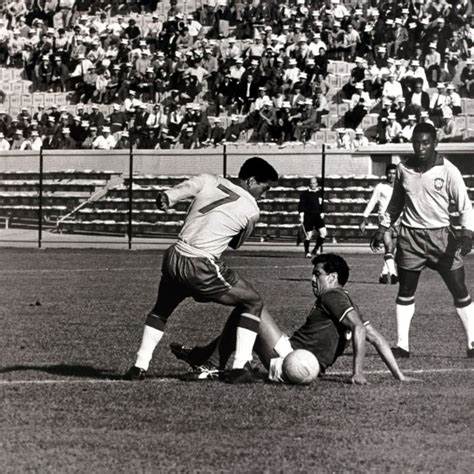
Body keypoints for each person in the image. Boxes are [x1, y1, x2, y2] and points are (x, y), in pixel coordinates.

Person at [124, 157, 279, 382]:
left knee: (161, 311)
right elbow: (235, 244)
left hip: (175, 256)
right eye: (264, 189)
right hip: (201, 264)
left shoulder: (210, 179)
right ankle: (240, 367)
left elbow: (179, 191)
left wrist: (168, 197)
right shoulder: (252, 210)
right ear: (251, 180)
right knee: (253, 301)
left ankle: (139, 366)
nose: (264, 195)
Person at [170, 253, 416, 385]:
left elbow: (359, 331)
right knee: (248, 319)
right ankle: (204, 356)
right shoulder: (350, 305)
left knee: (250, 306)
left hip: (290, 358)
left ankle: (210, 362)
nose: (312, 279)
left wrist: (358, 372)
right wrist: (399, 375)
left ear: (332, 277)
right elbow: (378, 339)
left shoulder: (333, 296)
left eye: (317, 274)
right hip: (302, 366)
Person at [370, 122, 474, 358]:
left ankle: (472, 343)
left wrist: (467, 234)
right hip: (410, 238)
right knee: (406, 290)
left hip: (442, 237)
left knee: (459, 288)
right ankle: (402, 346)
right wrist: (382, 227)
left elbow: (465, 206)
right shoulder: (403, 169)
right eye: (417, 142)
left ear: (435, 143)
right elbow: (395, 202)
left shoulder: (449, 170)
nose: (421, 147)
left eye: (426, 142)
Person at [360, 164, 398, 284]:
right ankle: (393, 274)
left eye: (394, 173)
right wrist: (364, 218)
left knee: (392, 250)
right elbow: (372, 202)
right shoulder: (380, 187)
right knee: (389, 246)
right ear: (386, 174)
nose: (392, 175)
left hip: (398, 220)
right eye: (390, 173)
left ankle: (383, 274)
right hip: (384, 220)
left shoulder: (400, 187)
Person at [297, 177, 327, 258]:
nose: (312, 185)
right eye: (311, 183)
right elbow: (301, 206)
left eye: (314, 183)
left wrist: (322, 212)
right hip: (308, 216)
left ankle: (316, 249)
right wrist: (302, 216)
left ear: (317, 184)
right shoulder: (305, 194)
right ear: (309, 184)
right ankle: (307, 252)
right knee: (309, 235)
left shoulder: (320, 193)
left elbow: (322, 204)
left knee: (323, 233)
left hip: (317, 216)